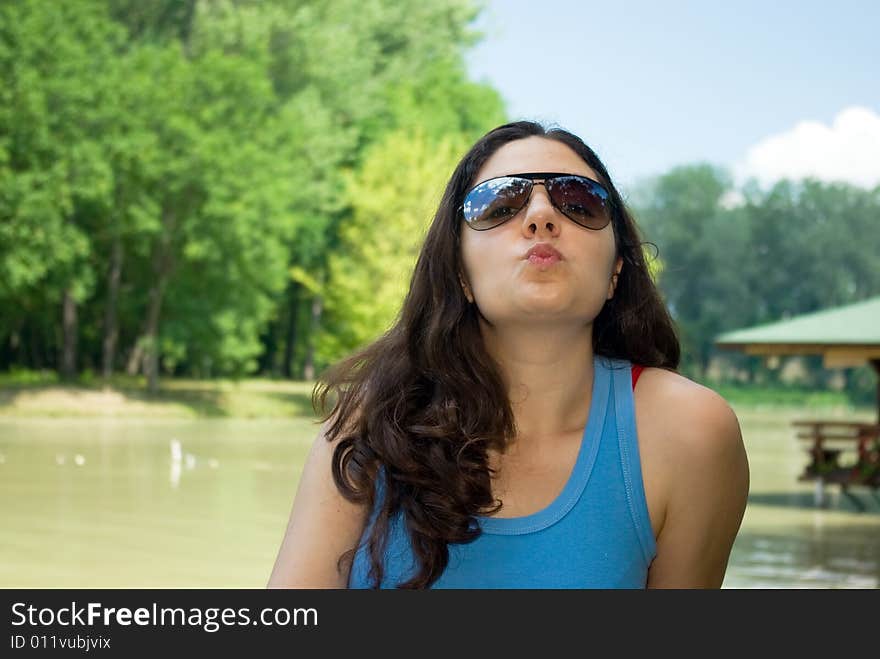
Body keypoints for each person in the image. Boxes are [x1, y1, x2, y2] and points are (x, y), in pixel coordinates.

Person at [267, 121, 750, 589]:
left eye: (579, 202)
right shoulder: (369, 423)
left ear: (616, 271)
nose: (541, 216)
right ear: (460, 272)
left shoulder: (690, 434)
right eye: (498, 204)